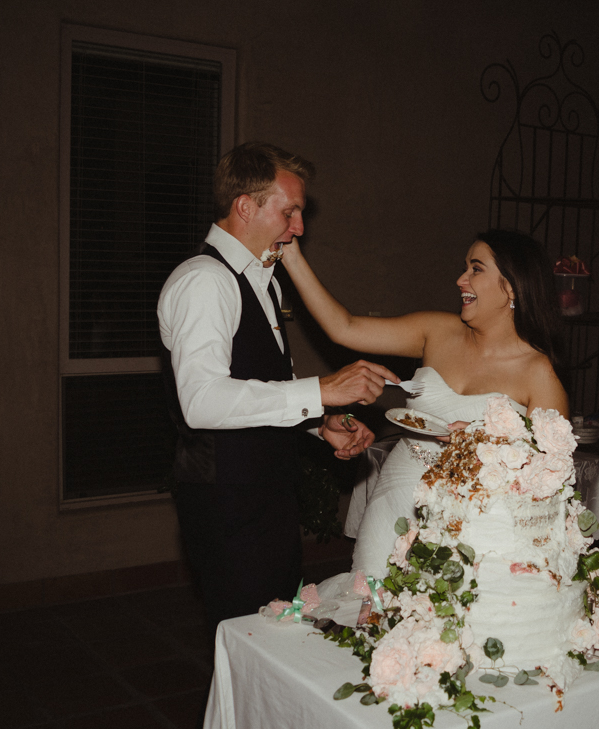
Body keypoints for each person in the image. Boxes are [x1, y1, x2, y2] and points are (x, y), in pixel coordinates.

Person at [158, 142, 399, 628]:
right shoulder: (205, 281)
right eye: (289, 212)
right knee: (249, 638)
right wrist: (322, 390)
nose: (299, 228)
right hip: (227, 502)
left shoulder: (260, 279)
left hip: (266, 497)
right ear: (244, 206)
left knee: (276, 635)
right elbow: (202, 402)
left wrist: (318, 423)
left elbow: (261, 384)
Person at [279, 228, 568, 576]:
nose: (461, 279)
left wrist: (481, 444)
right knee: (371, 592)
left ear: (511, 287)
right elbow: (345, 327)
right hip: (399, 487)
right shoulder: (436, 331)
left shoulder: (538, 373)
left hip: (473, 515)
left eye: (476, 269)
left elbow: (544, 482)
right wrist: (291, 256)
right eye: (465, 267)